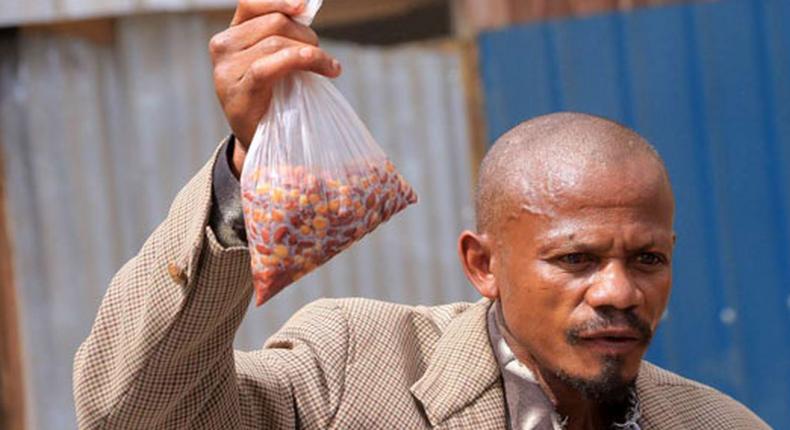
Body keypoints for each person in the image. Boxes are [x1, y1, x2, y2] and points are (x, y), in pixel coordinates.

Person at [73, 1, 770, 429]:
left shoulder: (720, 423)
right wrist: (254, 167)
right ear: (482, 264)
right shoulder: (352, 372)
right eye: (576, 259)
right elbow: (136, 413)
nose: (619, 291)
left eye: (647, 259)